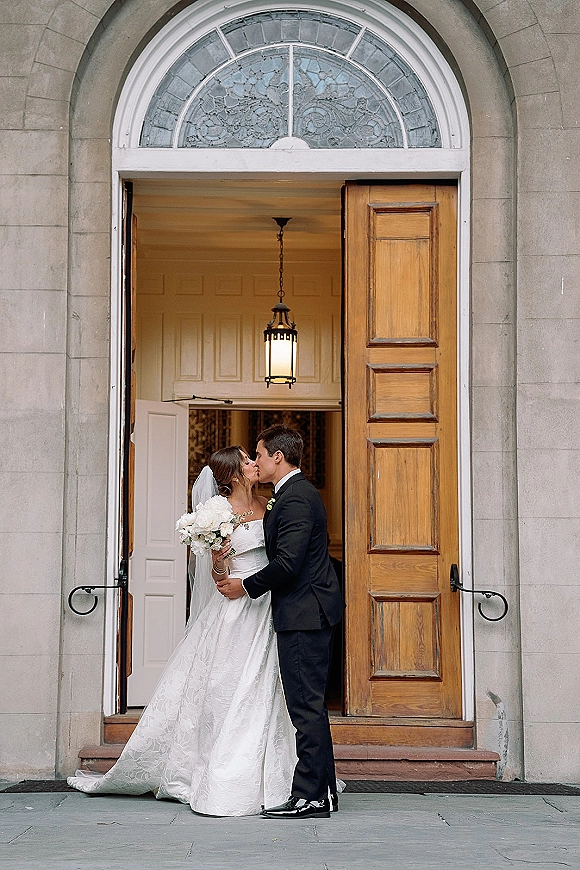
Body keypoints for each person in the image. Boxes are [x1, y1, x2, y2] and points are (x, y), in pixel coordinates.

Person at [67, 447, 297, 816]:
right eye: (248, 460)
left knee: (267, 686)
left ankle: (276, 773)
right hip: (235, 609)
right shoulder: (217, 513)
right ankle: (222, 772)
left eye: (255, 458)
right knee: (227, 685)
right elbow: (215, 576)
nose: (256, 463)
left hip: (267, 606)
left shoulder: (270, 504)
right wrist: (221, 563)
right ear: (234, 474)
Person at [215, 425, 345, 819]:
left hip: (305, 613)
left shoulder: (296, 499)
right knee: (308, 707)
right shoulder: (285, 496)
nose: (254, 461)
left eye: (258, 454)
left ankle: (311, 797)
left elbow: (288, 564)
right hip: (302, 612)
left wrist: (246, 586)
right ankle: (322, 790)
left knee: (304, 708)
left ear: (277, 457)